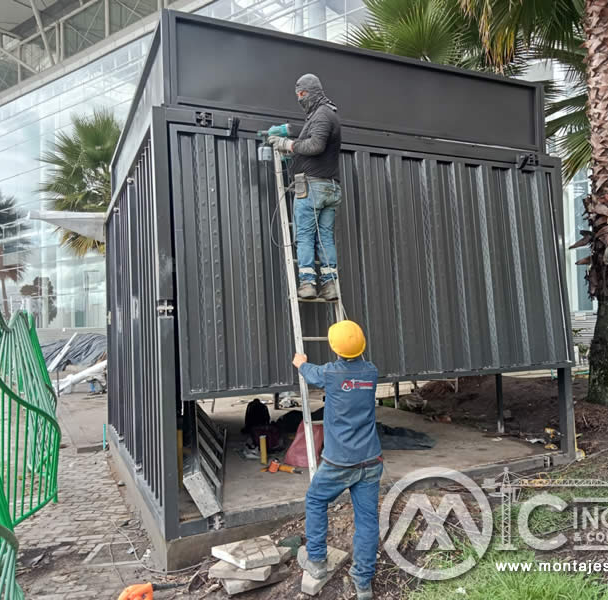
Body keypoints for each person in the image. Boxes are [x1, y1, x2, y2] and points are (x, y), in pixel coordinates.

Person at [291, 320, 382, 600]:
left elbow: (312, 374)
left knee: (316, 500)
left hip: (339, 462)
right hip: (370, 461)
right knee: (367, 521)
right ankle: (363, 583)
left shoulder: (330, 373)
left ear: (334, 348)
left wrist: (300, 363)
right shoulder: (371, 372)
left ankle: (317, 561)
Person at [267, 73, 342, 301]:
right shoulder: (327, 114)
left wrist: (287, 144)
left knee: (305, 235)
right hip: (330, 188)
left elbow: (316, 145)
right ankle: (330, 285)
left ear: (313, 91)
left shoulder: (321, 115)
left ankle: (307, 284)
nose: (300, 99)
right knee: (325, 237)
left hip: (313, 187)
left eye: (302, 94)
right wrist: (293, 148)